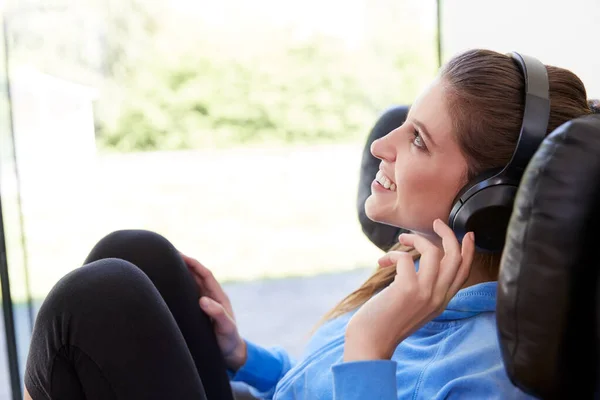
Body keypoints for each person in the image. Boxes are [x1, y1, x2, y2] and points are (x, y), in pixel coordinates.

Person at [23, 49, 599, 400]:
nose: (382, 143)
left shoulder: (485, 374)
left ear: (487, 201)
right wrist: (244, 355)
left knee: (97, 300)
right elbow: (314, 384)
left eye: (418, 139)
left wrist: (371, 344)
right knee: (136, 251)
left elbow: (359, 368)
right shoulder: (417, 287)